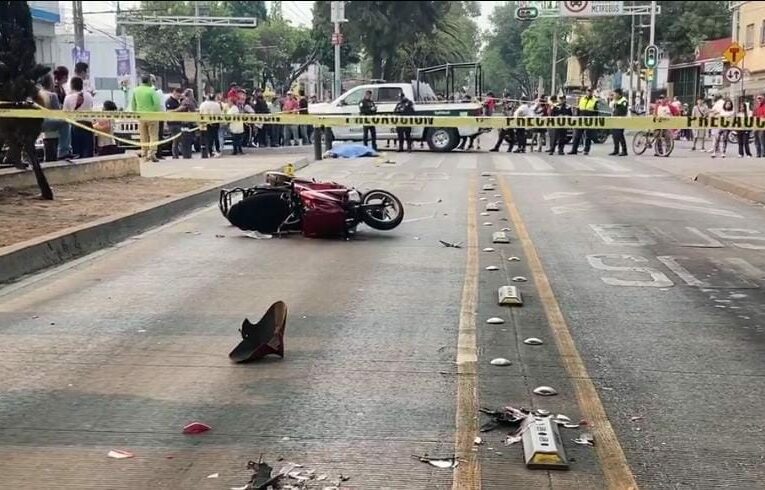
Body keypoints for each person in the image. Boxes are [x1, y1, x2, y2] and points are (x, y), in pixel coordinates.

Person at [130, 74, 163, 162]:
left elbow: (133, 104)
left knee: (143, 136)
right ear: (149, 81)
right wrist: (157, 113)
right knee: (153, 136)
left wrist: (135, 113)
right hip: (152, 116)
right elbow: (157, 104)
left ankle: (144, 153)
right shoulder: (152, 91)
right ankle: (152, 153)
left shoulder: (136, 90)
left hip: (141, 116)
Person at [62, 76, 95, 159]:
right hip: (88, 126)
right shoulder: (89, 96)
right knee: (88, 153)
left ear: (71, 86)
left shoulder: (68, 98)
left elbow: (65, 114)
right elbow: (91, 107)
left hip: (75, 126)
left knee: (77, 153)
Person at [38, 73, 63, 162]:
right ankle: (65, 149)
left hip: (39, 126)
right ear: (50, 82)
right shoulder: (52, 95)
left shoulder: (37, 94)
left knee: (47, 154)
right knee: (66, 122)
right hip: (52, 128)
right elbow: (58, 113)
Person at [569, 88, 598, 155]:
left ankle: (586, 150)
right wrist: (577, 117)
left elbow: (596, 112)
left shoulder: (595, 100)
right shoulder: (582, 99)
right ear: (586, 92)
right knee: (577, 135)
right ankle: (574, 150)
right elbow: (579, 109)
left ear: (592, 92)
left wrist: (594, 120)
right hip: (581, 119)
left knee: (588, 136)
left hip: (589, 119)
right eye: (588, 91)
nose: (589, 92)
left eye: (590, 91)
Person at [52, 66, 73, 159]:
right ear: (64, 77)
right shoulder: (55, 88)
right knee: (65, 125)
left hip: (61, 114)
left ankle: (67, 150)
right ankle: (63, 151)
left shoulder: (61, 88)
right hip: (54, 116)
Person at [200, 93, 223, 157]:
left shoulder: (203, 104)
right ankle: (217, 150)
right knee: (215, 137)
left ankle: (208, 151)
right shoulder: (217, 105)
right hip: (215, 123)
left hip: (205, 123)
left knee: (207, 137)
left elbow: (200, 112)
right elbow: (219, 113)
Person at [164, 88, 184, 158]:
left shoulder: (177, 101)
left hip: (178, 122)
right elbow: (169, 111)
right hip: (172, 123)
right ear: (174, 93)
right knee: (175, 140)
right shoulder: (169, 101)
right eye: (178, 96)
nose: (179, 97)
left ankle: (177, 154)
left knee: (178, 140)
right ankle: (175, 156)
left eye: (179, 96)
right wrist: (179, 109)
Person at [609, 88, 628, 156]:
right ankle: (616, 150)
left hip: (621, 120)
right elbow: (610, 106)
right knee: (614, 135)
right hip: (615, 119)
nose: (614, 95)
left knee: (620, 135)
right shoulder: (615, 100)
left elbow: (623, 109)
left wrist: (616, 104)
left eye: (615, 94)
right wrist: (612, 101)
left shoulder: (624, 100)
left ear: (619, 94)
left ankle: (624, 150)